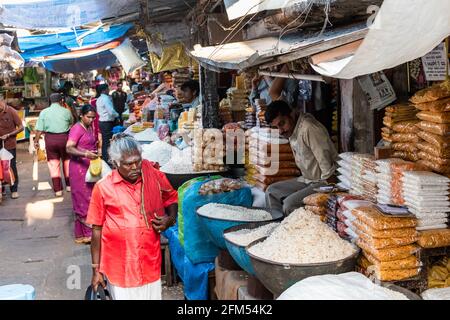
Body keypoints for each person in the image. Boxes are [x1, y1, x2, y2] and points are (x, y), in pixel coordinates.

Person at [87, 133, 178, 300]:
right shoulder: (103, 187)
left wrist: (170, 218)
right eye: (129, 164)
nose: (135, 167)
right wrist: (95, 270)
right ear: (116, 163)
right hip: (120, 267)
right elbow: (97, 230)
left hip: (149, 261)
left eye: (138, 161)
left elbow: (171, 196)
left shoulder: (153, 175)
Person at [264, 100, 338, 215]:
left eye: (282, 123)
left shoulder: (309, 128)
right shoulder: (292, 130)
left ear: (292, 114)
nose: (280, 131)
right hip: (307, 180)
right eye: (276, 127)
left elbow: (327, 167)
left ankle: (298, 230)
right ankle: (277, 226)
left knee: (289, 204)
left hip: (323, 181)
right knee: (271, 191)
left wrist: (330, 192)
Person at [66, 105, 99, 244]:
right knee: (83, 199)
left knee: (90, 197)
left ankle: (81, 234)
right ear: (81, 115)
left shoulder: (89, 127)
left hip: (89, 166)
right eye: (88, 117)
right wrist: (85, 153)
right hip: (79, 168)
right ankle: (88, 233)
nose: (91, 120)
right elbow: (69, 147)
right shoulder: (77, 128)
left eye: (93, 117)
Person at [34, 93, 72, 196]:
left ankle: (58, 190)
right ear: (61, 101)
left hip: (50, 139)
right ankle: (69, 186)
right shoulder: (66, 111)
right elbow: (71, 124)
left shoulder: (44, 112)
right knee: (67, 161)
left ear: (50, 101)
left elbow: (39, 129)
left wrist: (36, 141)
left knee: (53, 164)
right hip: (65, 138)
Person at [0, 97, 24, 199]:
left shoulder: (11, 111)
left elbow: (21, 127)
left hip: (9, 144)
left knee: (10, 167)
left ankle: (14, 189)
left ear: (2, 102)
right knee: (0, 168)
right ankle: (2, 189)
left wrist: (9, 134)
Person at [96, 84, 119, 164]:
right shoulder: (105, 99)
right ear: (104, 90)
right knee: (107, 142)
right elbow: (111, 111)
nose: (108, 90)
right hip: (106, 122)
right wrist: (118, 115)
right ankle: (107, 160)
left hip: (102, 122)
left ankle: (106, 158)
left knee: (105, 141)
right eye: (107, 89)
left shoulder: (99, 98)